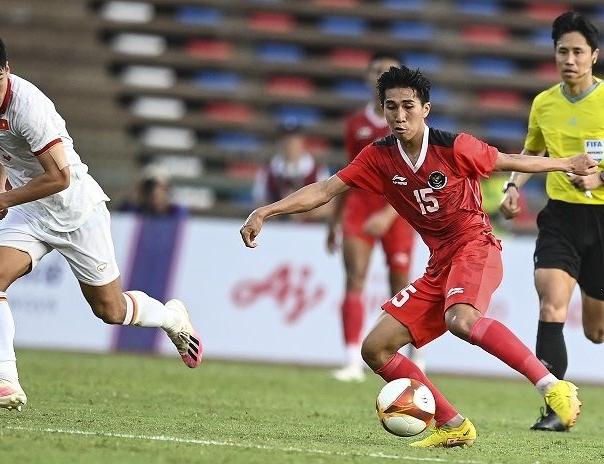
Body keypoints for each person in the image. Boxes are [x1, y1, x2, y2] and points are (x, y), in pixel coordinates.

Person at [240, 66, 587, 447]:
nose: (399, 115)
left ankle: (554, 387)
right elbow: (325, 189)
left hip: (476, 247)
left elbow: (508, 160)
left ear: (426, 109)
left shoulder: (453, 146)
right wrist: (265, 211)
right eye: (391, 107)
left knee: (462, 319)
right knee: (375, 348)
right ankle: (452, 423)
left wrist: (564, 163)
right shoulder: (378, 156)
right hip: (439, 263)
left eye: (408, 106)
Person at [0, 30, 202, 411]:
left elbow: (60, 177)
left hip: (75, 210)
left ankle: (171, 318)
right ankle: (7, 381)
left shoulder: (29, 108)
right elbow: (0, 146)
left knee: (111, 311)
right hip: (31, 209)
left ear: (8, 70)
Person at [500, 11, 604, 432]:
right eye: (563, 51)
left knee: (596, 332)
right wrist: (513, 186)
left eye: (578, 51)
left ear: (594, 56)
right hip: (560, 217)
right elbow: (533, 153)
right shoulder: (544, 103)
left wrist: (600, 175)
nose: (571, 59)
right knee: (551, 303)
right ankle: (556, 409)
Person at [327, 53, 423, 382]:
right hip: (359, 207)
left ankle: (416, 357)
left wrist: (389, 214)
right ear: (369, 78)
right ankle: (352, 360)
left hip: (398, 210)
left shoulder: (409, 123)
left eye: (388, 71)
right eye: (376, 71)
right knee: (354, 278)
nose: (381, 76)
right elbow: (347, 173)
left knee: (403, 286)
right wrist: (334, 220)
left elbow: (414, 176)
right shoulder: (356, 123)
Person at [252, 118, 330, 221]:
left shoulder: (317, 169)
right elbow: (259, 202)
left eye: (294, 140)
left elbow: (328, 206)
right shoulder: (267, 170)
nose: (290, 144)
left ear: (302, 141)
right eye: (286, 140)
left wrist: (303, 214)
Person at [119, 163, 186, 218]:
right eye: (148, 186)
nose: (152, 190)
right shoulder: (133, 210)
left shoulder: (176, 212)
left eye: (156, 185)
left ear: (166, 188)